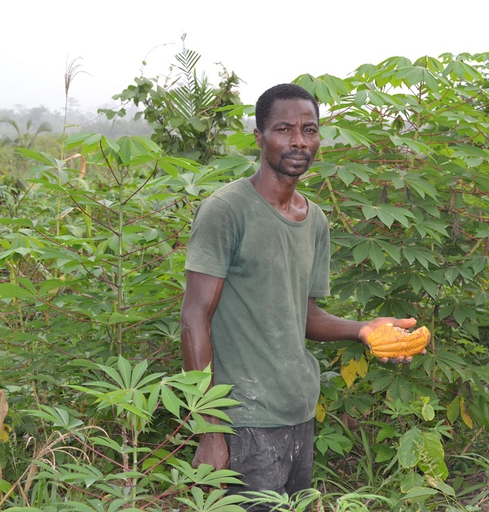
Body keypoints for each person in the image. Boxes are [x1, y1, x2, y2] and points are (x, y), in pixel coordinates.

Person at [180, 83, 419, 508]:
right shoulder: (227, 210)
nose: (298, 141)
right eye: (284, 129)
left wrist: (364, 330)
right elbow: (194, 319)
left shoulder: (315, 220)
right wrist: (209, 431)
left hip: (298, 411)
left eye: (309, 130)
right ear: (259, 137)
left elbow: (304, 315)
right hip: (243, 419)